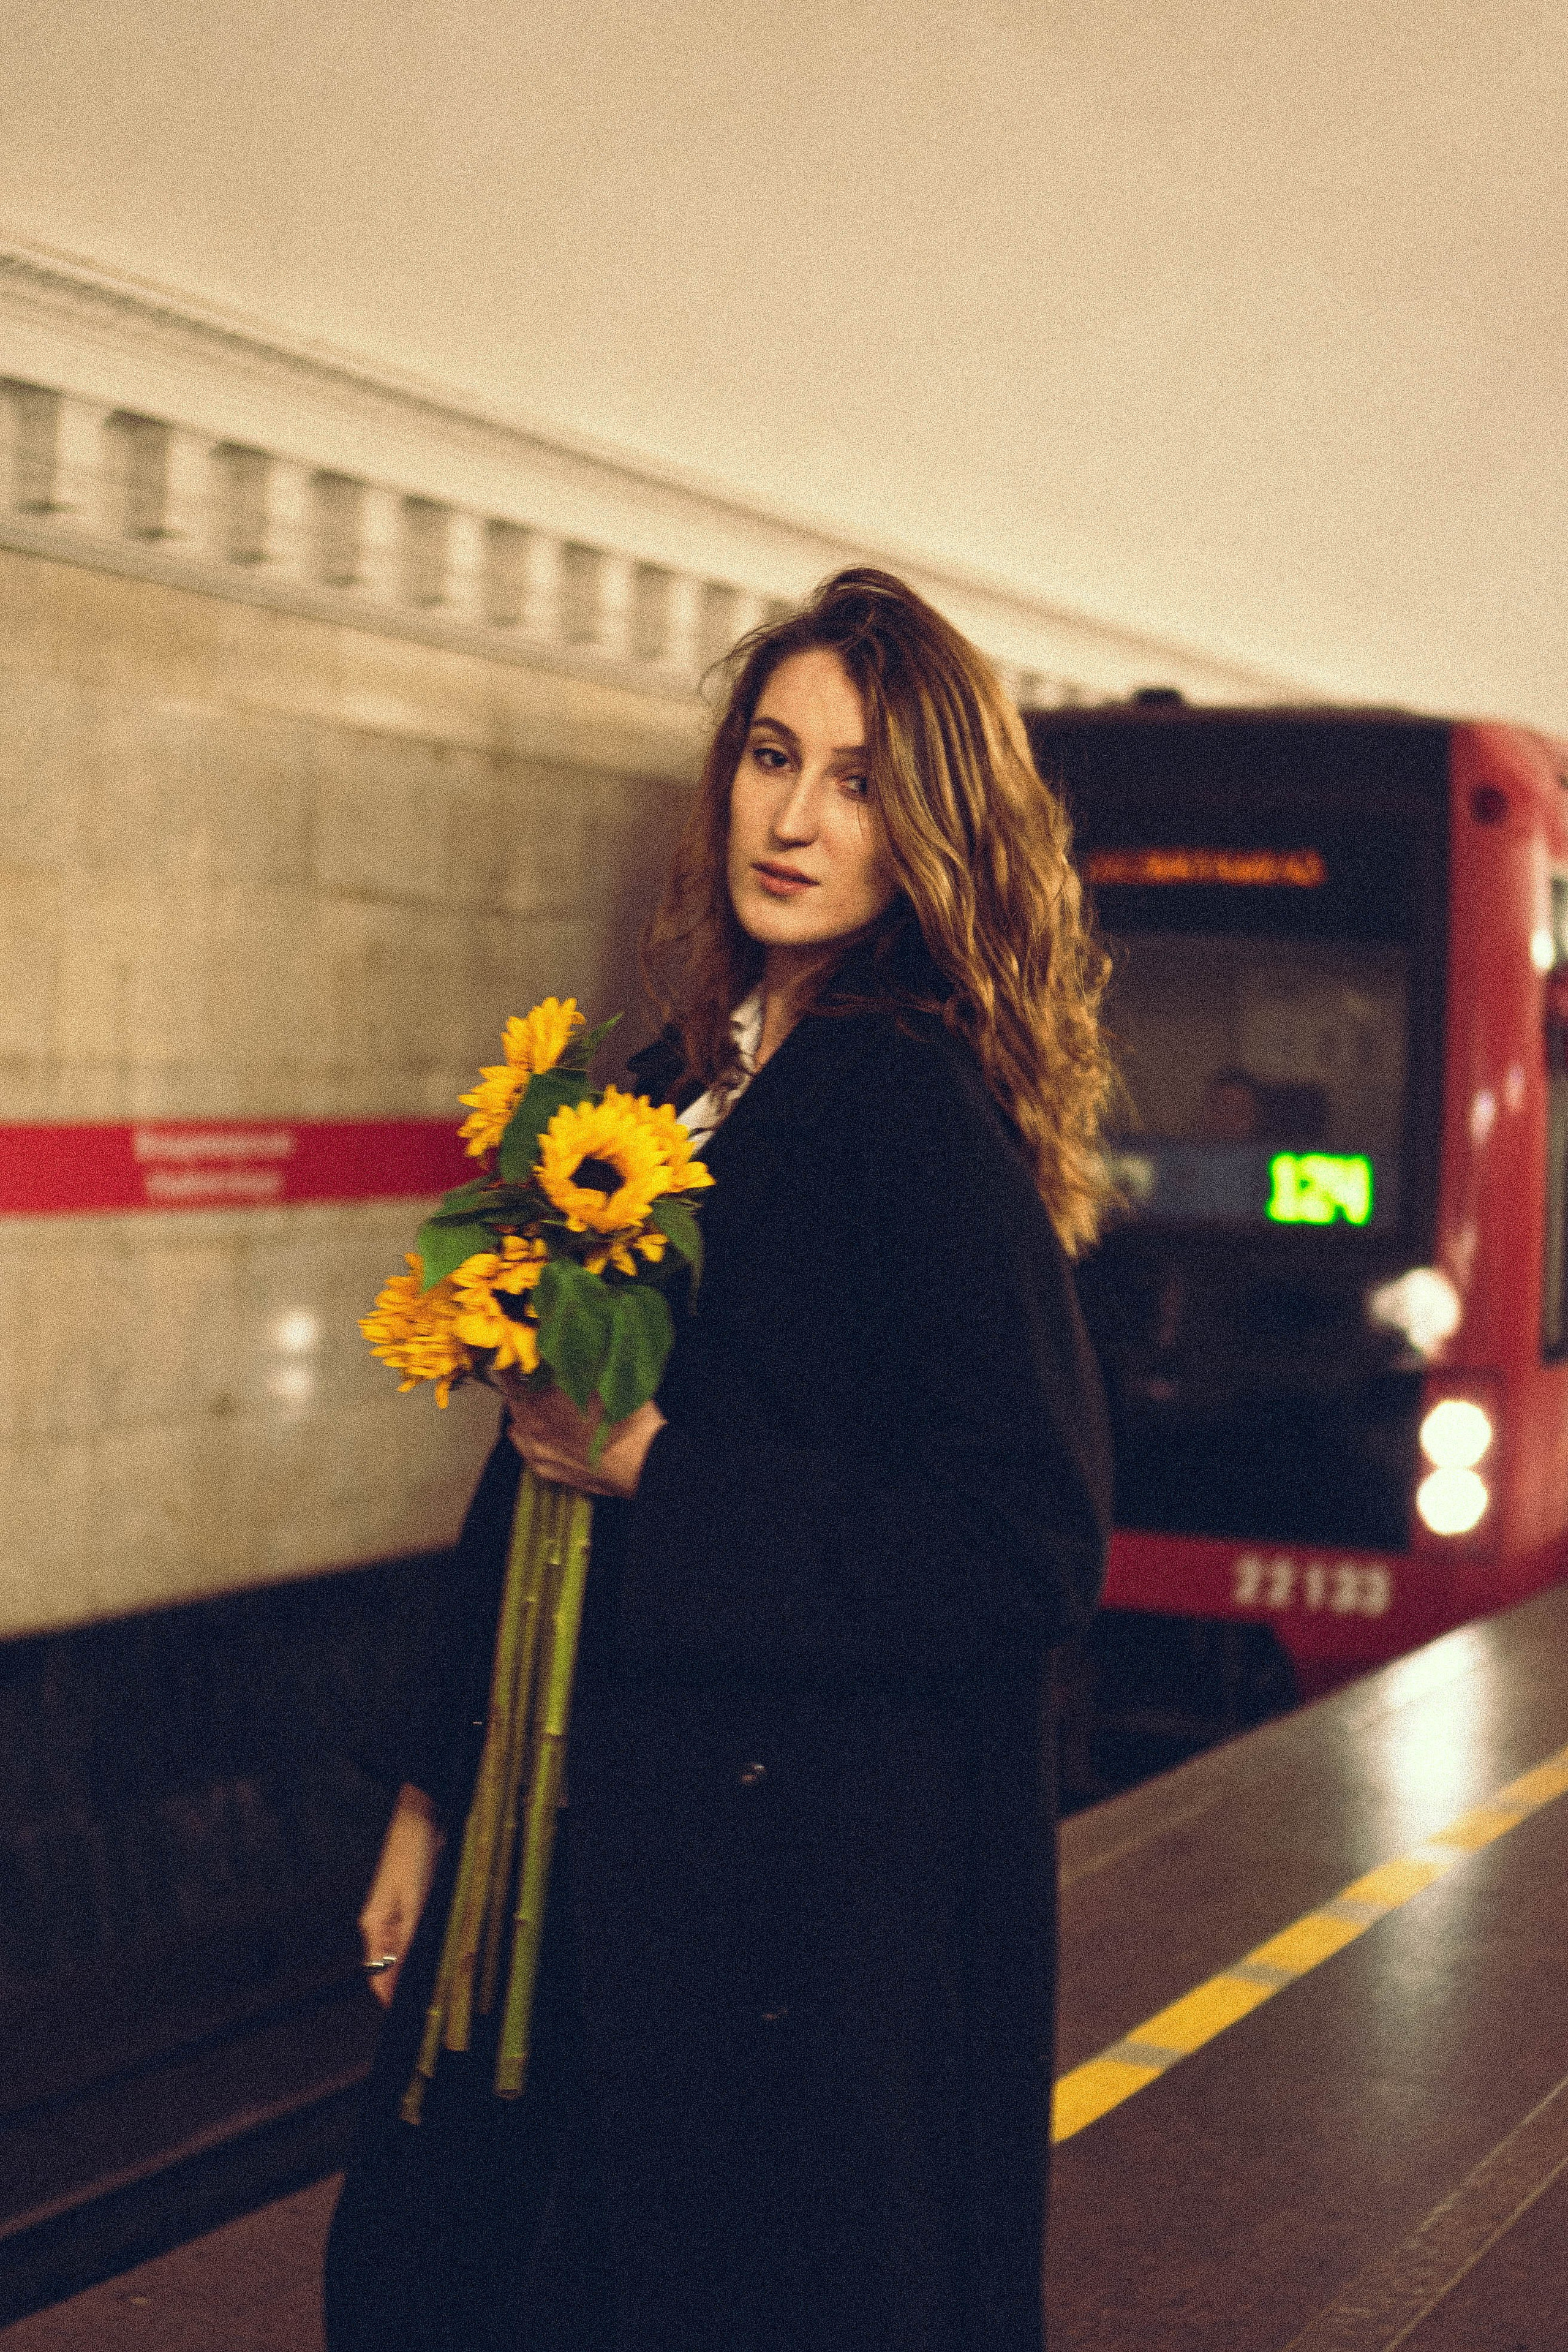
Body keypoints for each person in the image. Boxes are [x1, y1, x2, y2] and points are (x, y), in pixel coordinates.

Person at [325, 567, 1115, 2352]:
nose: (796, 814)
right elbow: (538, 1460)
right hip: (606, 1844)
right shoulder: (683, 1086)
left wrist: (668, 1469)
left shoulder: (908, 1102)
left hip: (789, 1913)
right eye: (773, 756)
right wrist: (436, 1786)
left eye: (855, 780)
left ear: (925, 831)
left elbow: (1029, 1538)